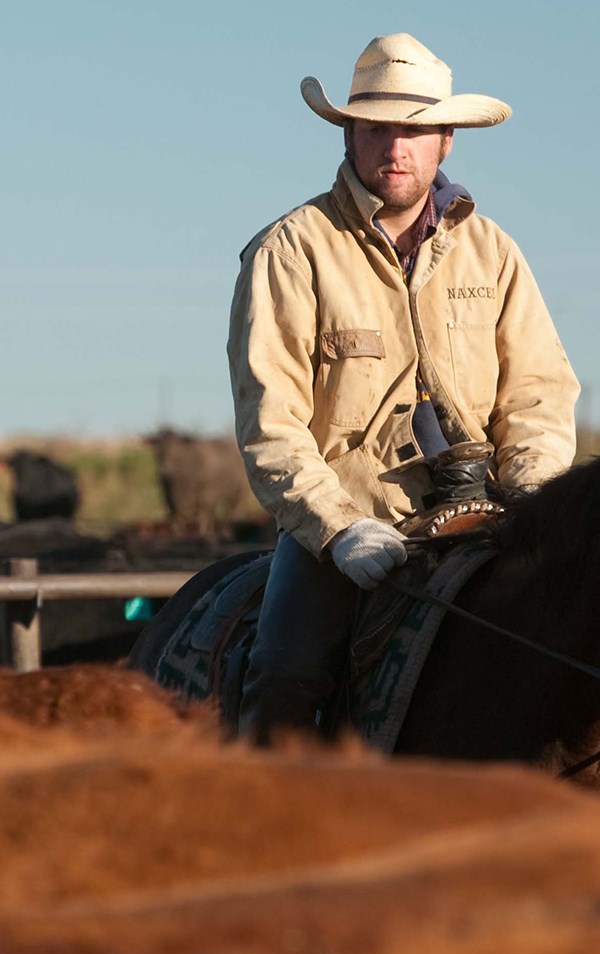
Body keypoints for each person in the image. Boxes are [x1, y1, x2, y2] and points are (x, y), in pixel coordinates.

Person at [227, 33, 580, 742]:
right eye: (379, 128)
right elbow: (272, 423)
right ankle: (266, 830)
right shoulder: (291, 251)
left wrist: (531, 501)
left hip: (492, 517)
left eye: (415, 130)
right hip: (350, 526)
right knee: (286, 675)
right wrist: (340, 528)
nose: (397, 148)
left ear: (446, 139)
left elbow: (538, 395)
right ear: (350, 133)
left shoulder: (494, 251)